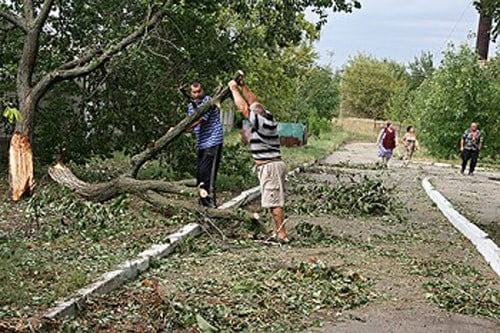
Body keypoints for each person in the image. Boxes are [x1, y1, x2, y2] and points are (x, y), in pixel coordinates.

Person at [228, 75, 289, 243]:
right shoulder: (267, 116)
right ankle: (277, 231)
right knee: (272, 200)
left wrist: (234, 89)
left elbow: (245, 109)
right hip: (271, 165)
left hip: (270, 166)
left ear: (257, 116)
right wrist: (244, 86)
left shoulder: (262, 124)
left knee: (274, 201)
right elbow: (254, 103)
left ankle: (282, 234)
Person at [186, 80, 224, 207]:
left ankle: (211, 205)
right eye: (194, 92)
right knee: (200, 174)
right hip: (201, 143)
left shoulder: (208, 102)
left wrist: (183, 128)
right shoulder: (191, 106)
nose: (197, 95)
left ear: (203, 90)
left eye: (199, 91)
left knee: (209, 175)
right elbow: (189, 122)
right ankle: (202, 203)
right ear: (190, 93)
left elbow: (197, 121)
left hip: (213, 141)